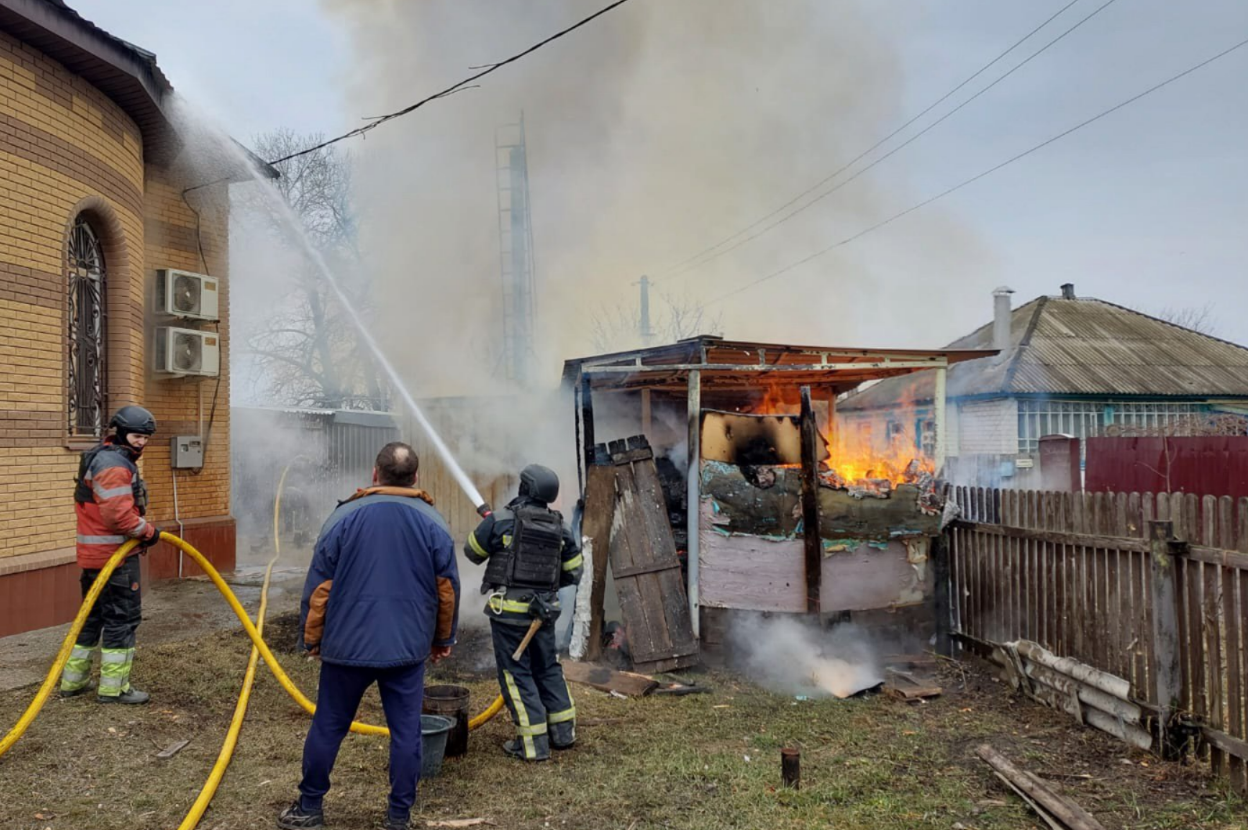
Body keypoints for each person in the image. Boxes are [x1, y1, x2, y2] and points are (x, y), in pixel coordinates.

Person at [279, 442, 459, 830]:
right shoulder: (434, 522)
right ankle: (398, 818)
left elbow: (319, 588)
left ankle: (309, 808)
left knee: (328, 725)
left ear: (374, 474)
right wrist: (443, 639)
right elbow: (446, 589)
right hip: (406, 650)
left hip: (346, 647)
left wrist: (312, 640)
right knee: (406, 733)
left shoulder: (343, 517)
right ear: (415, 478)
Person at [465, 464, 583, 762]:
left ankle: (532, 746)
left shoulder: (501, 520)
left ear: (525, 488)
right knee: (547, 668)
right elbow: (574, 572)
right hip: (543, 614)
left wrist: (492, 526)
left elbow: (472, 552)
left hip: (509, 616)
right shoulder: (561, 526)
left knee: (517, 675)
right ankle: (563, 734)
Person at [60, 405, 161, 704]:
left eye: (145, 438)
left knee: (92, 618)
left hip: (94, 557)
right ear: (119, 432)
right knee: (122, 620)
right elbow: (119, 517)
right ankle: (114, 688)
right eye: (136, 436)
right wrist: (148, 532)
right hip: (114, 558)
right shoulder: (115, 466)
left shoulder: (101, 457)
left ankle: (74, 681)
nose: (141, 442)